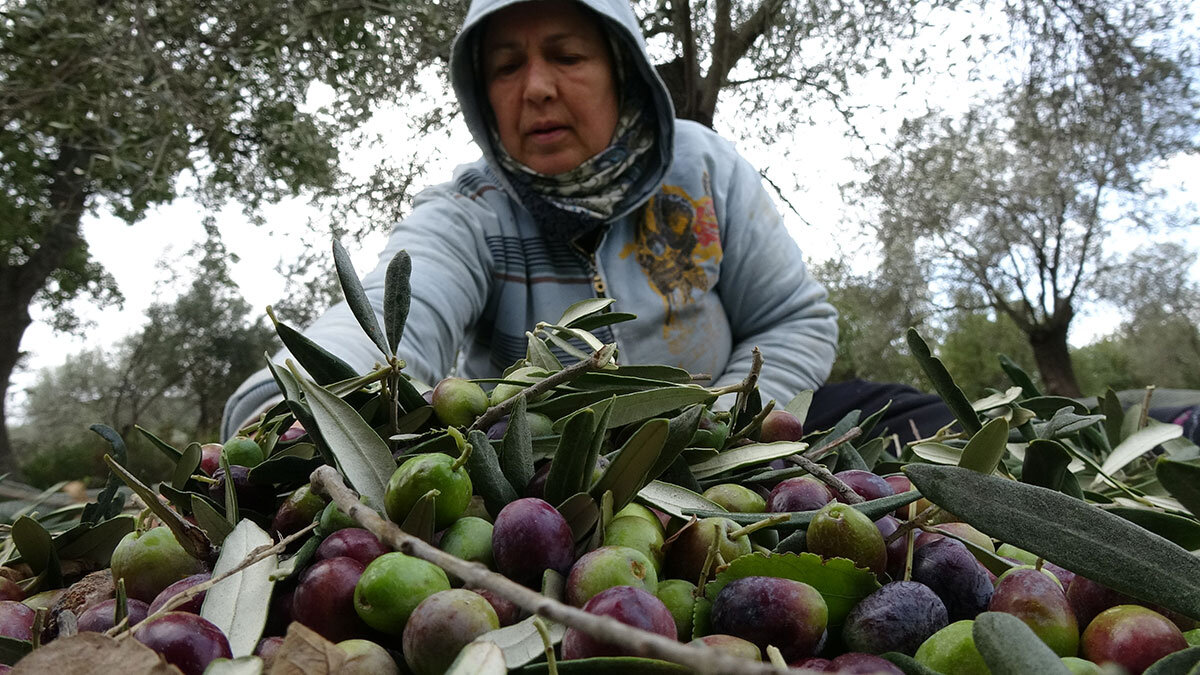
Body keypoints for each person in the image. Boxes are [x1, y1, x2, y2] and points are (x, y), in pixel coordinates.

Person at [221, 0, 1198, 449]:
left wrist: (741, 411)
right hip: (565, 460)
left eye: (565, 52)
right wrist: (304, 405)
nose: (539, 89)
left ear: (622, 66)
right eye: (506, 68)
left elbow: (797, 320)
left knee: (915, 416)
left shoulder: (703, 167)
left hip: (744, 421)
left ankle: (1162, 426)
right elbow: (398, 311)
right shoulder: (470, 211)